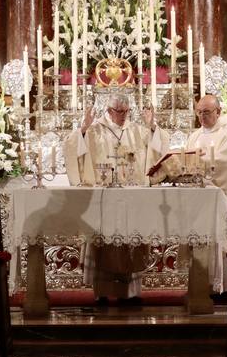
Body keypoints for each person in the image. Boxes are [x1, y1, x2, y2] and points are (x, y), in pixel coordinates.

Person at [63, 93, 168, 302]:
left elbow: (159, 148)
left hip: (131, 198)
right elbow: (72, 145)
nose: (123, 115)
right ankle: (102, 292)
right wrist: (83, 128)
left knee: (131, 242)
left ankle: (130, 292)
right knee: (104, 243)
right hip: (104, 198)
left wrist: (152, 127)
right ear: (109, 111)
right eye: (119, 112)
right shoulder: (95, 130)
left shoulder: (137, 131)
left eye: (126, 111)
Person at [186, 95, 227, 294]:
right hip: (199, 202)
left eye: (206, 112)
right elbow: (186, 159)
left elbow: (225, 162)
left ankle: (224, 287)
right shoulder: (195, 135)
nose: (201, 117)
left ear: (218, 111)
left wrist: (200, 162)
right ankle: (202, 284)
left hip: (224, 200)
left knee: (221, 239)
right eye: (199, 112)